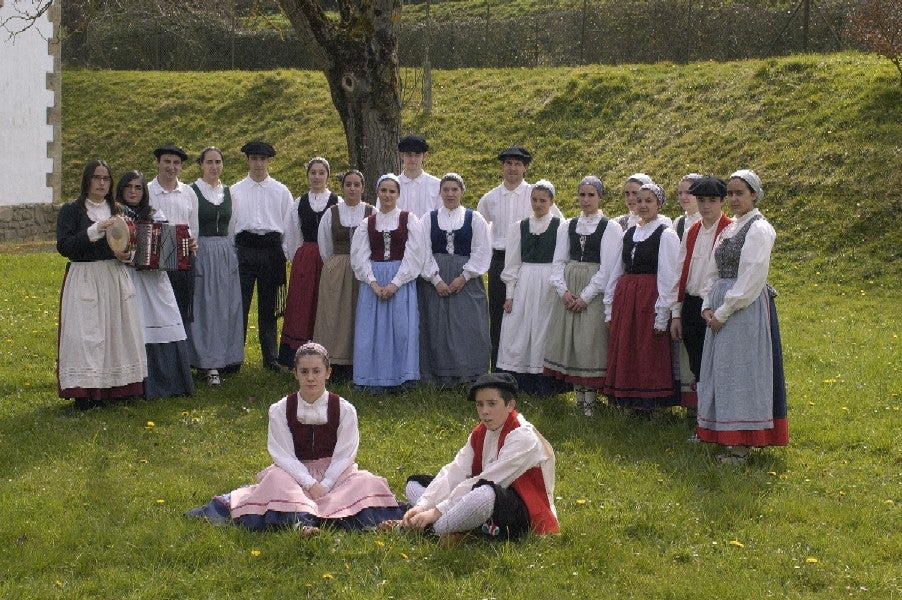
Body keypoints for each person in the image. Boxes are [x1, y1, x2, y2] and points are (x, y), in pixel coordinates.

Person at [185, 342, 406, 531]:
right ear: (295, 373)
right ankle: (303, 521)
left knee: (367, 481)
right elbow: (283, 455)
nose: (311, 378)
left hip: (335, 474)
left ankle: (309, 514)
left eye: (316, 371)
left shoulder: (345, 409)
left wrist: (326, 484)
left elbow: (345, 454)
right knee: (275, 480)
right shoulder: (281, 409)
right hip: (293, 475)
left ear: (328, 373)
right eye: (304, 372)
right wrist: (309, 483)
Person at [696, 170, 788, 464]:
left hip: (743, 308)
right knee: (722, 371)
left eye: (740, 193)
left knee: (741, 372)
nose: (734, 199)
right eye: (731, 193)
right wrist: (706, 305)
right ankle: (727, 437)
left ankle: (742, 445)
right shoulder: (730, 229)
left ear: (754, 195)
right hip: (720, 306)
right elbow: (712, 271)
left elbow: (751, 278)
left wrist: (723, 311)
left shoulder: (760, 229)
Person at [401, 373, 558, 541]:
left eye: (492, 404)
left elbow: (490, 480)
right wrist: (422, 505)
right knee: (414, 484)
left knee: (484, 494)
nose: (484, 411)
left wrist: (435, 511)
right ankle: (443, 523)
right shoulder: (481, 432)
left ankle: (428, 530)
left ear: (510, 405)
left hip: (520, 509)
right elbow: (456, 470)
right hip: (480, 493)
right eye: (479, 404)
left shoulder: (523, 437)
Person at [56, 160, 146, 408]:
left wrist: (126, 255)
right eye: (97, 178)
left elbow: (131, 245)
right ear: (87, 180)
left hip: (114, 276)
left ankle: (117, 389)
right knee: (86, 335)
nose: (102, 183)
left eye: (106, 179)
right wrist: (94, 231)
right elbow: (64, 246)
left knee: (116, 332)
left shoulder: (119, 211)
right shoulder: (72, 211)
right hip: (85, 276)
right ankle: (85, 393)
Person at [543, 176, 623, 414]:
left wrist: (586, 296)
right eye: (582, 195)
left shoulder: (610, 227)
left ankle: (591, 399)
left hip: (593, 288)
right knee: (571, 341)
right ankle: (579, 398)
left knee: (590, 342)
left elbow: (608, 267)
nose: (586, 200)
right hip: (569, 286)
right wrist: (563, 291)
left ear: (599, 197)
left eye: (591, 195)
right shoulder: (567, 225)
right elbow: (558, 261)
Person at [476, 146, 562, 368]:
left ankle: (529, 364)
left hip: (530, 263)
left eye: (517, 164)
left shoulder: (537, 194)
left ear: (525, 167)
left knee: (527, 315)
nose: (512, 168)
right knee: (498, 313)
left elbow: (558, 226)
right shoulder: (490, 198)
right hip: (500, 260)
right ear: (502, 166)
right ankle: (499, 366)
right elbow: (481, 232)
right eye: (508, 163)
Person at [117, 171, 195, 399]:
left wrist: (185, 245)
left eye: (138, 187)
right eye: (129, 186)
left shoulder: (154, 215)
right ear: (121, 189)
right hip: (127, 278)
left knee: (165, 318)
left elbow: (171, 246)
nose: (133, 191)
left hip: (155, 281)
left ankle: (170, 382)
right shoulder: (116, 215)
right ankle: (134, 386)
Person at [603, 183, 680, 411]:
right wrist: (609, 305)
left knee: (647, 348)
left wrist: (662, 314)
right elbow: (617, 269)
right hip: (628, 298)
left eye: (649, 201)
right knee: (628, 346)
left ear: (659, 204)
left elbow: (668, 276)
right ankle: (628, 400)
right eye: (640, 200)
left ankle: (651, 404)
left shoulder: (665, 234)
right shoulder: (629, 232)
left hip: (649, 298)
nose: (643, 205)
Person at [350, 174, 425, 391]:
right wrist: (373, 283)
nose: (387, 195)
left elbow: (415, 254)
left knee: (401, 330)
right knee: (370, 332)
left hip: (400, 280)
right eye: (383, 190)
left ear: (399, 194)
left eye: (392, 191)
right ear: (377, 193)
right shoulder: (367, 223)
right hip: (373, 281)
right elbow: (359, 256)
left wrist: (396, 283)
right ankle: (370, 378)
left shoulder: (409, 219)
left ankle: (402, 378)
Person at [417, 173, 491, 387]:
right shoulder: (428, 219)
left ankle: (469, 373)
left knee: (467, 324)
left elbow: (481, 250)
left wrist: (464, 276)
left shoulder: (474, 218)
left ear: (462, 192)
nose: (450, 194)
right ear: (439, 192)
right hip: (436, 280)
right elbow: (422, 251)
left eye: (454, 189)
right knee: (437, 326)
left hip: (466, 280)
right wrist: (435, 279)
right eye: (446, 190)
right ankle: (439, 375)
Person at [496, 180, 566, 396]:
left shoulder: (560, 226)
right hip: (525, 280)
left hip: (548, 281)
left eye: (543, 200)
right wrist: (510, 294)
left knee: (543, 328)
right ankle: (519, 381)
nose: (538, 204)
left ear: (551, 202)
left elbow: (562, 259)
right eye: (534, 199)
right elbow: (513, 262)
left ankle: (544, 383)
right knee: (519, 327)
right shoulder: (519, 227)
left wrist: (558, 286)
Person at [670, 176, 732, 416]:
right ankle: (701, 414)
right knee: (696, 361)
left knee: (717, 361)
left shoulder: (729, 228)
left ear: (721, 201)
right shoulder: (692, 230)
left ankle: (718, 414)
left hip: (716, 304)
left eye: (712, 200)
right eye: (702, 200)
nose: (706, 206)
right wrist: (676, 312)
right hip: (692, 302)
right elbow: (680, 270)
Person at [230, 140, 293, 371]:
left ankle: (271, 358)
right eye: (254, 159)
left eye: (263, 159)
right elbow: (231, 225)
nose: (258, 164)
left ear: (268, 161)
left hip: (271, 250)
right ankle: (235, 357)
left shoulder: (281, 191)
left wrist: (283, 253)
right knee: (240, 305)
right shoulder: (235, 191)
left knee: (268, 307)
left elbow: (288, 225)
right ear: (247, 160)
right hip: (244, 250)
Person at [311, 170, 375, 382]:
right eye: (348, 184)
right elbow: (324, 245)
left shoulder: (371, 212)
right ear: (343, 187)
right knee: (334, 316)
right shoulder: (332, 213)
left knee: (357, 313)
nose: (352, 189)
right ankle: (334, 362)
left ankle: (357, 361)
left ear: (363, 188)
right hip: (337, 268)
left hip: (363, 270)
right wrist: (336, 265)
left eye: (357, 185)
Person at [188, 147, 245, 385]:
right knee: (205, 307)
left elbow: (233, 225)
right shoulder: (192, 191)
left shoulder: (229, 193)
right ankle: (207, 362)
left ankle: (227, 357)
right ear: (201, 165)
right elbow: (192, 224)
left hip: (225, 251)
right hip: (203, 250)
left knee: (227, 306)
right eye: (209, 162)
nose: (214, 167)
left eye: (218, 162)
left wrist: (229, 250)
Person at [278, 157, 340, 367]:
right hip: (305, 259)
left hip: (328, 259)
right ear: (308, 176)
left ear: (327, 176)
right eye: (313, 172)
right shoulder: (299, 203)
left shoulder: (336, 202)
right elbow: (292, 234)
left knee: (325, 303)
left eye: (321, 172)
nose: (317, 176)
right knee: (302, 305)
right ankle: (298, 353)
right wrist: (299, 258)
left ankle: (326, 351)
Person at [147, 144, 199, 327]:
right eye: (167, 161)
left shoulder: (188, 193)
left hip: (183, 259)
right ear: (158, 163)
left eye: (176, 163)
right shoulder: (147, 192)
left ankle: (180, 353)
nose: (172, 167)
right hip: (155, 260)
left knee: (182, 309)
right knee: (158, 311)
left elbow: (194, 227)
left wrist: (192, 244)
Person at [392, 134, 441, 218]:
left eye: (417, 154)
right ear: (402, 156)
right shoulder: (391, 185)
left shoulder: (437, 185)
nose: (413, 159)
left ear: (424, 156)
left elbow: (442, 215)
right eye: (409, 154)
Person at [672, 173, 702, 241]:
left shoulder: (710, 221)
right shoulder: (678, 223)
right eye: (680, 193)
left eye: (688, 192)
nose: (683, 197)